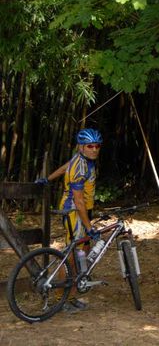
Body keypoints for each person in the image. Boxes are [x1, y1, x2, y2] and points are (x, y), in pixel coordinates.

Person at [37, 128, 103, 313]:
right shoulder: (80, 167)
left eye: (97, 146)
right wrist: (89, 227)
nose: (95, 149)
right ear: (81, 147)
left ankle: (72, 295)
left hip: (83, 211)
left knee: (82, 253)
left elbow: (66, 165)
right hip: (74, 213)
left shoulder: (82, 160)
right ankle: (61, 299)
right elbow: (79, 201)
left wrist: (48, 179)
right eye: (90, 146)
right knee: (71, 257)